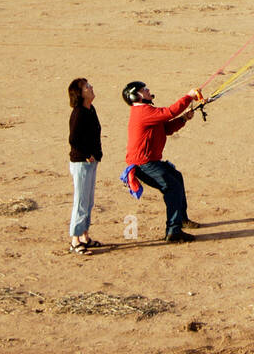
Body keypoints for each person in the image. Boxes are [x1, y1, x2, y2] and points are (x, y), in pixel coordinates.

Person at [121, 81, 202, 242]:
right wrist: (189, 96)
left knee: (176, 177)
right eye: (144, 89)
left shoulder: (147, 111)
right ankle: (173, 231)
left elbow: (166, 129)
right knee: (172, 188)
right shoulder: (142, 111)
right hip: (143, 164)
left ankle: (181, 219)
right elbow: (169, 112)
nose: (148, 90)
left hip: (151, 161)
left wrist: (184, 119)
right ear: (135, 95)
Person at [67, 78, 103, 254]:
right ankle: (75, 240)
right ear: (80, 94)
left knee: (88, 201)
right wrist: (87, 154)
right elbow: (73, 139)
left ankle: (84, 236)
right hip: (81, 162)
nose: (91, 88)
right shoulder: (78, 113)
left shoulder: (90, 109)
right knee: (81, 201)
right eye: (87, 87)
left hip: (91, 161)